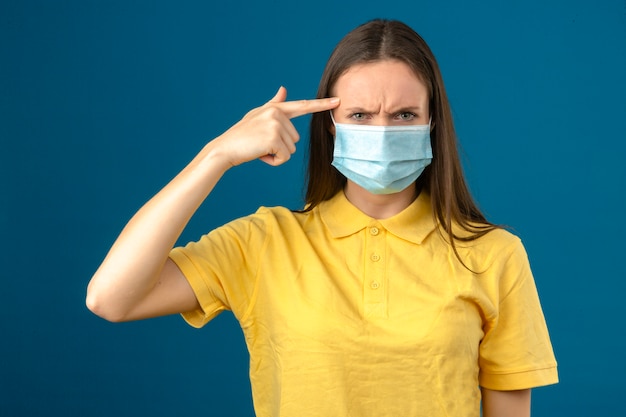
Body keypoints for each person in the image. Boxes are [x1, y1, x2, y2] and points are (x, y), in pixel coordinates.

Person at [87, 19, 558, 417]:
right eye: (358, 114)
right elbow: (111, 298)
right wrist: (216, 156)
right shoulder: (266, 241)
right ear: (329, 127)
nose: (381, 131)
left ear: (432, 122)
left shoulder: (494, 254)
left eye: (404, 114)